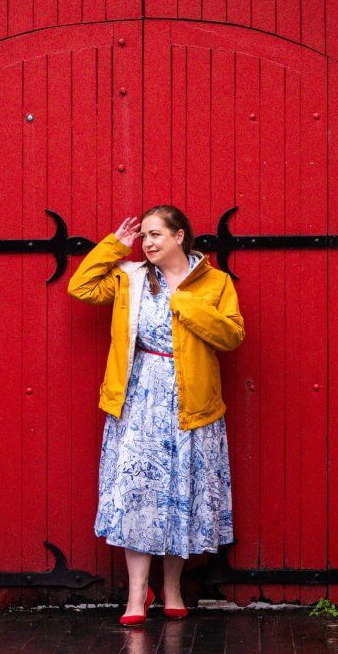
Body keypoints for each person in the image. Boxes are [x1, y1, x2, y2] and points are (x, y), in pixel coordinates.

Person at [67, 205, 245, 625]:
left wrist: (185, 304)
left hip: (192, 403)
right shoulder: (129, 279)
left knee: (179, 493)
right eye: (144, 236)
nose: (147, 243)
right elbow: (81, 287)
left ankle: (171, 589)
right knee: (138, 493)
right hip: (138, 400)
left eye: (155, 235)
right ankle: (135, 597)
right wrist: (113, 245)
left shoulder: (215, 283)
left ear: (180, 236)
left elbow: (232, 335)